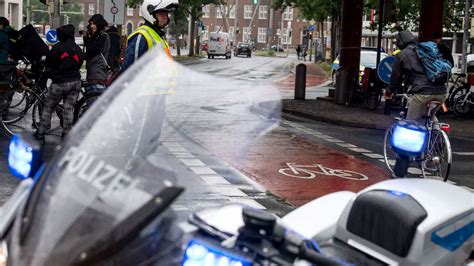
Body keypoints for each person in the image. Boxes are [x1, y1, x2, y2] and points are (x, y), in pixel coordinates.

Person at [35, 24, 84, 143]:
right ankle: (66, 135)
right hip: (75, 82)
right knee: (68, 109)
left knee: (48, 107)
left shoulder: (58, 47)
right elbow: (80, 62)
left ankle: (41, 133)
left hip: (60, 83)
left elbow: (48, 63)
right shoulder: (77, 48)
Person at [389, 31, 447, 123]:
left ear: (400, 42)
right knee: (430, 117)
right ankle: (437, 133)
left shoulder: (402, 54)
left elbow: (396, 76)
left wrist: (391, 90)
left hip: (422, 93)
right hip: (441, 92)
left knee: (410, 123)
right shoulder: (426, 51)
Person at [121, 0, 179, 72]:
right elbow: (129, 71)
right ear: (150, 14)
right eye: (162, 14)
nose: (165, 17)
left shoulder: (158, 35)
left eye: (166, 14)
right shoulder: (141, 36)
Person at [84, 14, 110, 103]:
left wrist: (89, 39)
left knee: (95, 106)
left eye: (93, 24)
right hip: (93, 73)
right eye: (90, 24)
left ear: (98, 24)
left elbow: (93, 51)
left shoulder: (103, 36)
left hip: (98, 74)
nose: (91, 26)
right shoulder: (96, 36)